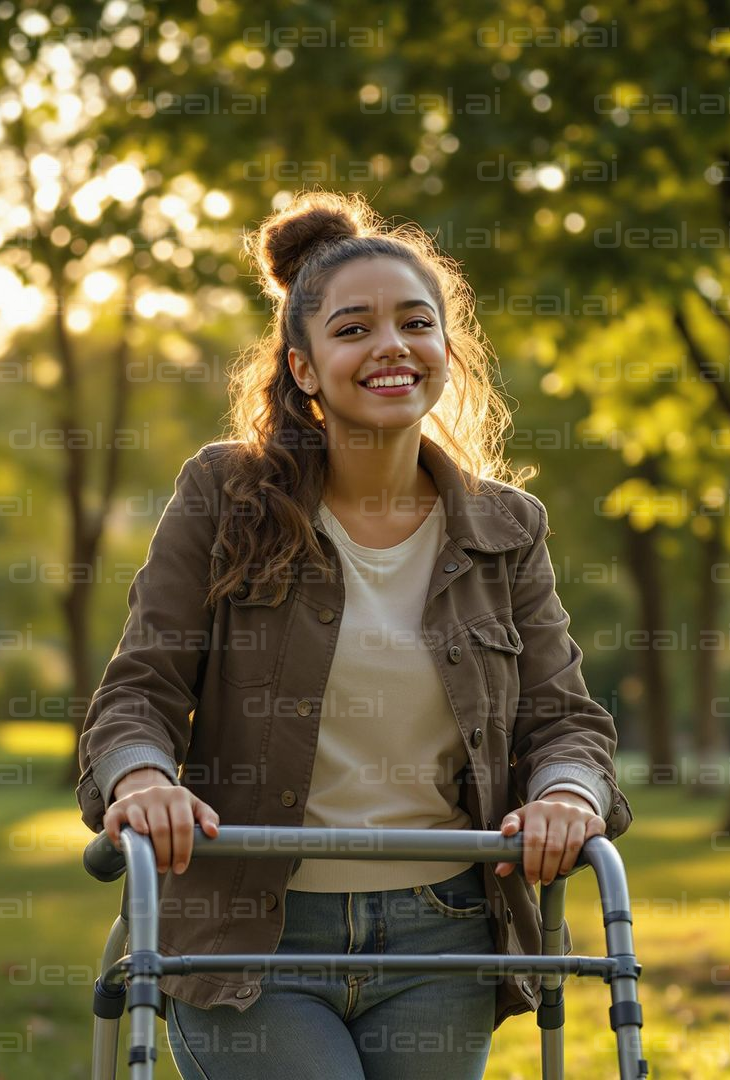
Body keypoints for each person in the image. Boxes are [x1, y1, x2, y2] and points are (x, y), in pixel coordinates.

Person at [76, 189, 633, 1079]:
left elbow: (564, 720)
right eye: (353, 328)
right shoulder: (224, 497)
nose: (391, 347)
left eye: (417, 323)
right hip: (251, 935)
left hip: (445, 936)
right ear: (302, 368)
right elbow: (139, 691)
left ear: (445, 352)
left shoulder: (507, 528)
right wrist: (142, 778)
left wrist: (568, 794)